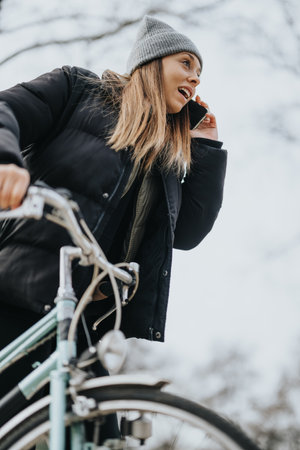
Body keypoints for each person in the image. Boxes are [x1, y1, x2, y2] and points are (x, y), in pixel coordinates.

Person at [0, 15, 227, 409]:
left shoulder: (165, 165)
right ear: (152, 61)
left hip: (82, 322)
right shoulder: (76, 90)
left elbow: (187, 234)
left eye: (199, 73)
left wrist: (205, 150)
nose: (195, 79)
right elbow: (7, 110)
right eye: (186, 64)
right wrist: (6, 161)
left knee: (100, 428)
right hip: (15, 291)